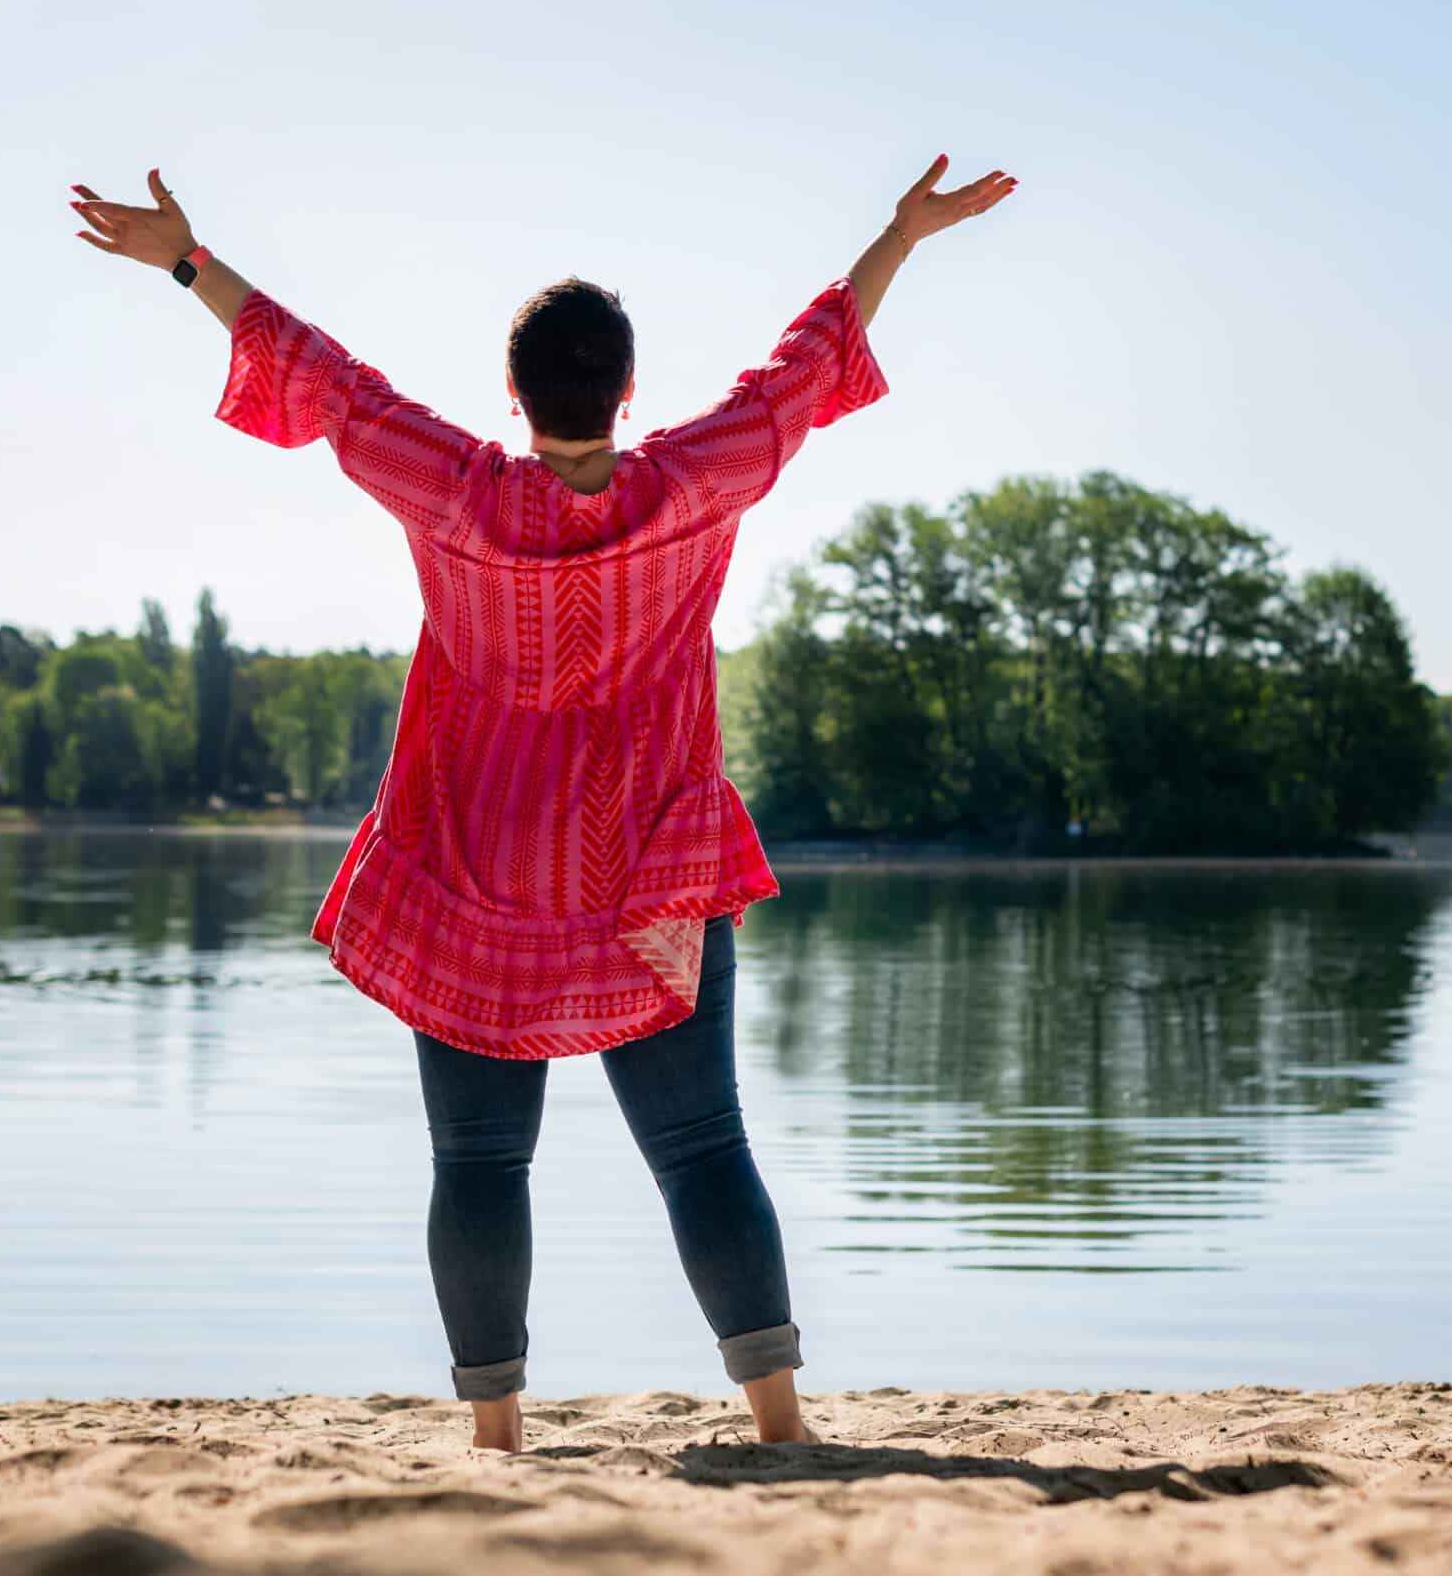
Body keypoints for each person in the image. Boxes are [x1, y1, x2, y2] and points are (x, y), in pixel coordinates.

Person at [67, 156, 1016, 1452]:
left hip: (474, 866)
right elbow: (802, 371)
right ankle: (782, 1423)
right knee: (700, 1148)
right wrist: (899, 236)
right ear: (626, 394)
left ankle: (497, 1441)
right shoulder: (690, 488)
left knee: (477, 1164)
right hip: (648, 873)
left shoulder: (457, 494)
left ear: (513, 398)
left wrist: (186, 261)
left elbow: (329, 384)